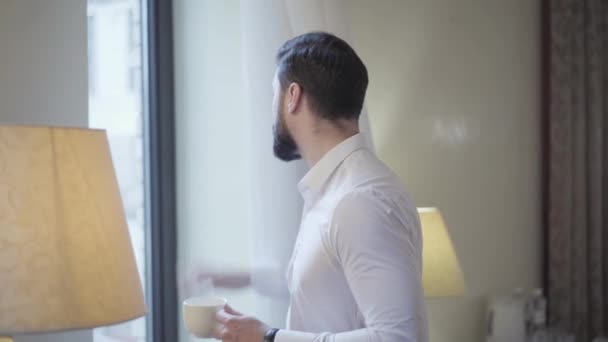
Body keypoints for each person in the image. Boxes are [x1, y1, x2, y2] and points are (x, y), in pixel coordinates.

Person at [209, 31, 428, 342]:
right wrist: (245, 282)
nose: (272, 110)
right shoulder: (337, 190)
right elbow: (327, 284)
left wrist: (270, 338)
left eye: (275, 94)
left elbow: (398, 338)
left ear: (293, 96)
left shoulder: (358, 201)